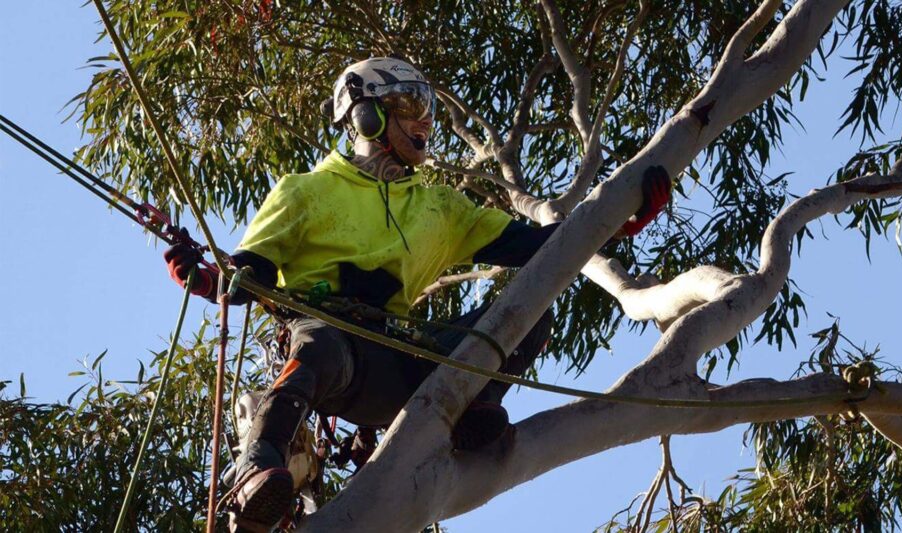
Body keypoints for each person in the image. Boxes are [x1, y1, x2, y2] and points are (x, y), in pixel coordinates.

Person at [163, 57, 671, 531]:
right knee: (322, 345)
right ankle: (258, 471)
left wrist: (616, 222)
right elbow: (248, 273)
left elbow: (540, 246)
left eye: (426, 110)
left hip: (400, 360)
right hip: (337, 355)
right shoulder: (304, 192)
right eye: (407, 108)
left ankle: (473, 404)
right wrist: (206, 278)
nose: (423, 123)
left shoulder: (440, 208)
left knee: (530, 304)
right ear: (364, 116)